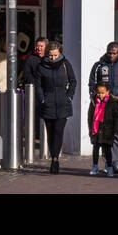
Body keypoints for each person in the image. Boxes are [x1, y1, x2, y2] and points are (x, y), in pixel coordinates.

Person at [32, 40, 77, 173]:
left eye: (55, 55)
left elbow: (73, 81)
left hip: (63, 103)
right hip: (48, 103)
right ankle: (54, 155)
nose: (53, 58)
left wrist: (69, 96)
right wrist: (42, 99)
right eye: (50, 55)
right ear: (47, 54)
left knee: (58, 131)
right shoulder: (41, 66)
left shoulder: (65, 64)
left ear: (60, 53)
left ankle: (55, 159)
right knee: (50, 133)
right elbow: (38, 84)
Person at [87, 41, 118, 174]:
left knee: (117, 133)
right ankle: (108, 163)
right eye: (109, 53)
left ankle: (117, 163)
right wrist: (95, 98)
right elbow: (92, 84)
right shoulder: (99, 66)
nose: (111, 55)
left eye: (114, 53)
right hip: (102, 105)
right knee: (104, 134)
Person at [87, 81, 118, 177]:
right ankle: (95, 166)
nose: (100, 95)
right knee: (95, 149)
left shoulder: (112, 103)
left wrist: (117, 129)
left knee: (107, 150)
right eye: (98, 92)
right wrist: (90, 128)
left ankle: (109, 167)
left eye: (102, 93)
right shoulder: (94, 102)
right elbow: (90, 116)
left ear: (107, 92)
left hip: (108, 130)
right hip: (96, 130)